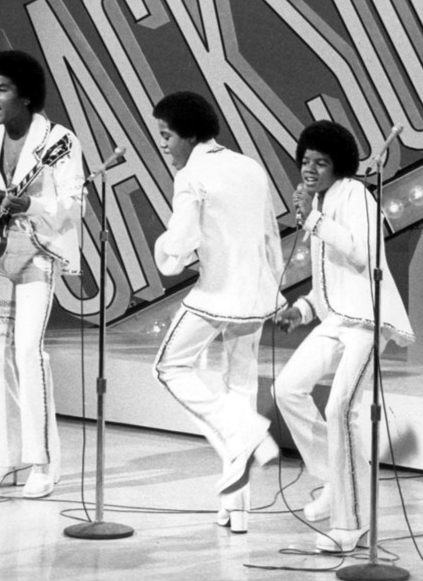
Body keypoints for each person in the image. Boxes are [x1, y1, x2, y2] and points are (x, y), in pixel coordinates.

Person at [274, 121, 414, 553]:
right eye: (306, 161)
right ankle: (334, 479)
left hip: (367, 322)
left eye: (321, 162)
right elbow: (330, 281)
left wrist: (314, 219)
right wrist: (302, 310)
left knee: (342, 410)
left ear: (339, 165)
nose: (309, 169)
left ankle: (351, 523)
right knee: (287, 389)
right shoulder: (321, 202)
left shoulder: (355, 194)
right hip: (335, 321)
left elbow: (361, 252)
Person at [0, 50, 85, 498]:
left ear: (26, 96)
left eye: (2, 89)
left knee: (28, 352)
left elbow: (74, 204)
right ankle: (3, 459)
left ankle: (43, 463)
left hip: (37, 254)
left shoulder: (59, 139)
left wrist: (31, 204)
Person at [151, 91, 283, 534]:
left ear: (189, 135)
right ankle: (237, 508)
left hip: (216, 295)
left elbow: (178, 244)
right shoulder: (250, 167)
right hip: (257, 297)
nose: (164, 145)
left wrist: (166, 254)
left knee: (169, 366)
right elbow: (270, 235)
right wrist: (274, 291)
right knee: (240, 389)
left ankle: (248, 433)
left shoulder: (192, 175)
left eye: (167, 135)